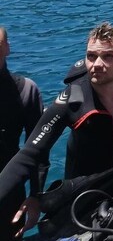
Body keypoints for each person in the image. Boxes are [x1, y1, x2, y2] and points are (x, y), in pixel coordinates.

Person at [0, 22, 113, 232]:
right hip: (85, 192)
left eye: (107, 56)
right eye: (91, 56)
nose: (96, 64)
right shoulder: (73, 98)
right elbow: (31, 153)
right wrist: (34, 194)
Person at [0, 27, 48, 240]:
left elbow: (39, 150)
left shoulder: (26, 91)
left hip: (10, 202)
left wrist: (35, 196)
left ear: (7, 48)